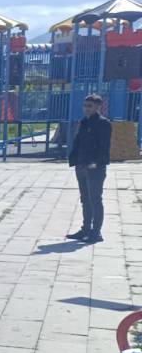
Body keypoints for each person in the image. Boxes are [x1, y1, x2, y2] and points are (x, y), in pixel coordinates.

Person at [67, 93, 111, 244]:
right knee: (85, 199)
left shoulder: (103, 123)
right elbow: (78, 142)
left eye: (90, 106)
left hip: (94, 167)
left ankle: (96, 232)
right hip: (81, 165)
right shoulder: (83, 122)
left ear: (98, 106)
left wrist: (96, 163)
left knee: (95, 199)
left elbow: (104, 147)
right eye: (85, 105)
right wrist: (75, 161)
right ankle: (85, 229)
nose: (86, 109)